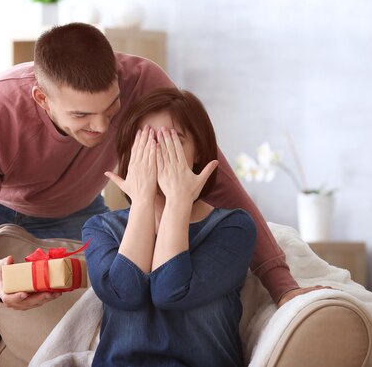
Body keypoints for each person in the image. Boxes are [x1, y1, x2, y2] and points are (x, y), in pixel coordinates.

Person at [0, 22, 315, 311]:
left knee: (100, 301)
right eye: (82, 115)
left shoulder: (144, 83)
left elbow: (215, 180)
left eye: (111, 109)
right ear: (42, 99)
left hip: (69, 204)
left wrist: (283, 285)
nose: (102, 127)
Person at [82, 88, 255, 367]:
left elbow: (170, 290)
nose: (159, 155)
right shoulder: (101, 228)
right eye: (147, 143)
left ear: (198, 151)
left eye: (173, 142)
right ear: (131, 152)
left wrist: (177, 200)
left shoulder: (233, 227)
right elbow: (124, 293)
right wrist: (141, 201)